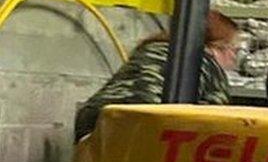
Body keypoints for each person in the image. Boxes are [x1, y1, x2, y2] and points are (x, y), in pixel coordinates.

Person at [73, 10, 240, 142]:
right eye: (234, 50)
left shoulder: (149, 49)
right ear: (215, 47)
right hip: (146, 126)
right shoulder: (208, 67)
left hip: (96, 117)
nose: (234, 58)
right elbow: (214, 122)